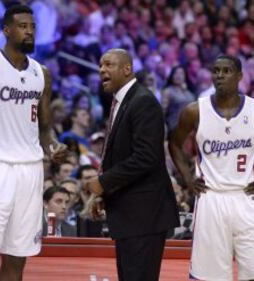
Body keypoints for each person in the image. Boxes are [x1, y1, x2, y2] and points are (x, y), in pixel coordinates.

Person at [0, 5, 67, 281]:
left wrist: (52, 146)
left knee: (18, 259)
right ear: (6, 30)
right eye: (22, 26)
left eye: (32, 26)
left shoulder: (42, 73)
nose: (29, 31)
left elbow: (43, 128)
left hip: (30, 170)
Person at [169, 55, 254, 281]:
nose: (220, 75)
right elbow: (174, 144)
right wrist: (187, 179)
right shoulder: (194, 111)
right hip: (211, 199)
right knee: (208, 277)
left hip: (246, 198)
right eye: (216, 71)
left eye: (226, 71)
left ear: (239, 76)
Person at [87, 48, 179, 281]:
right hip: (132, 213)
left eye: (108, 65)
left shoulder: (143, 101)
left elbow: (146, 157)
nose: (102, 70)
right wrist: (103, 193)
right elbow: (117, 154)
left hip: (144, 215)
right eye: (100, 65)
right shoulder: (124, 100)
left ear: (127, 69)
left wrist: (103, 182)